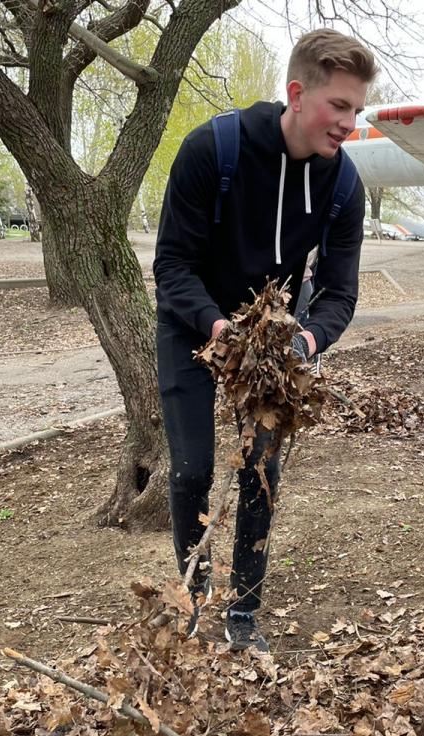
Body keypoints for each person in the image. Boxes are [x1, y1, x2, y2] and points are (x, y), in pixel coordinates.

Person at [153, 29, 376, 652]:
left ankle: (244, 612)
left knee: (261, 468)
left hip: (277, 333)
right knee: (193, 470)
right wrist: (219, 330)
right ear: (297, 94)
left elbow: (340, 293)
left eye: (357, 109)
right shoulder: (211, 150)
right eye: (339, 106)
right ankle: (194, 598)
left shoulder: (343, 186)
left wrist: (305, 342)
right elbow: (172, 267)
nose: (349, 123)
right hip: (193, 323)